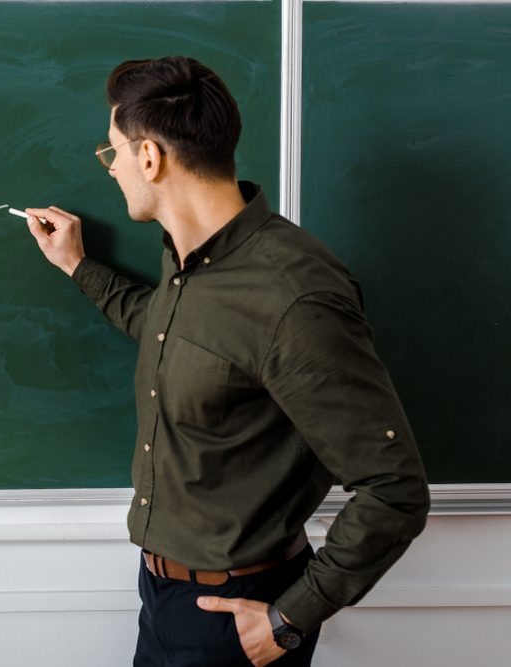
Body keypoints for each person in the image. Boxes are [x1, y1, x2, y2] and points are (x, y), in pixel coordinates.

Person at [24, 56, 430, 667]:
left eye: (113, 152)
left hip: (239, 617)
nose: (111, 169)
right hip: (163, 599)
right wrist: (79, 266)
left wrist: (288, 620)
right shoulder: (191, 261)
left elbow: (395, 490)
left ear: (150, 157)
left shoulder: (291, 296)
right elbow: (169, 330)